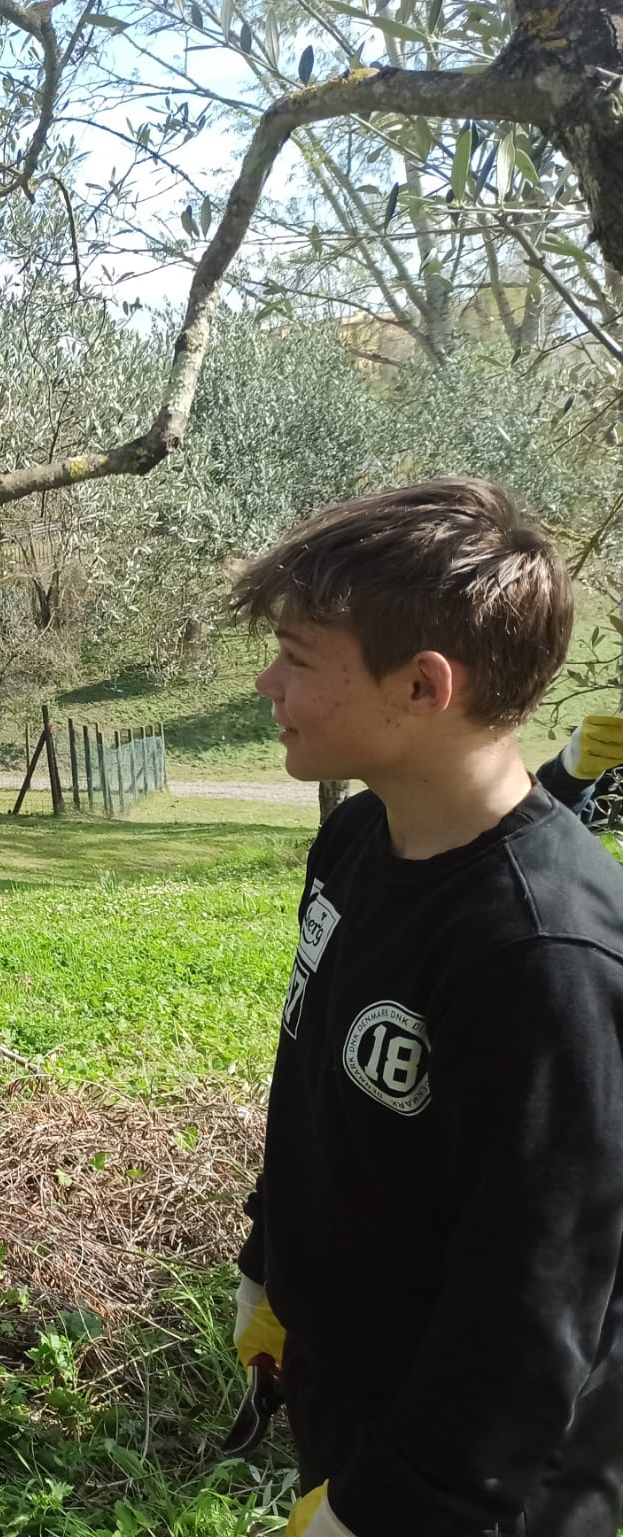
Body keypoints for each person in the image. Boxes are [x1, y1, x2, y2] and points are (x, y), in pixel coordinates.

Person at [227, 478, 623, 1537]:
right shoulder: (356, 841)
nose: (267, 682)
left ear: (422, 685)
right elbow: (309, 1074)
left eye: (297, 657)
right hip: (355, 1401)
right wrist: (270, 1262)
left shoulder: (543, 949)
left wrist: (390, 1507)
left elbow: (536, 1294)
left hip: (482, 1484)